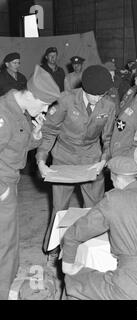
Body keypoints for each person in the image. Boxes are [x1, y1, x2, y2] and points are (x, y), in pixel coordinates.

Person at [62, 156, 137, 300]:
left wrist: (68, 267)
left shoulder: (113, 200)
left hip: (131, 288)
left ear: (116, 178)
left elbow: (73, 234)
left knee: (73, 280)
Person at [36, 65, 116, 263]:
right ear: (84, 88)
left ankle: (91, 247)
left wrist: (104, 160)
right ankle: (53, 247)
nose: (98, 99)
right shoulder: (65, 100)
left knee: (94, 208)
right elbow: (49, 131)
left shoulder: (109, 105)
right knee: (60, 207)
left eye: (102, 95)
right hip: (64, 158)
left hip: (91, 160)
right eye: (93, 95)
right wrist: (41, 160)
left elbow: (108, 139)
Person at [0, 65, 60, 300]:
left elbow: (15, 147)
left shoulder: (19, 109)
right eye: (44, 105)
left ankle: (8, 279)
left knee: (10, 238)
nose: (45, 110)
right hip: (2, 183)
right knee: (3, 242)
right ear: (31, 95)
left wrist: (35, 139)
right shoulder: (3, 115)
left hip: (9, 180)